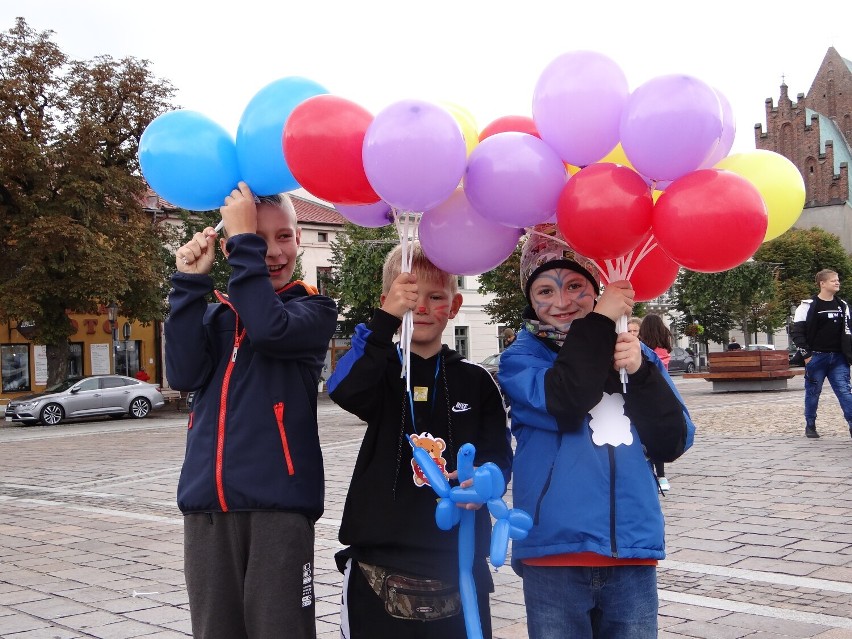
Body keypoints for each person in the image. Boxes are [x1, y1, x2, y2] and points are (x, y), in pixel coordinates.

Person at [497, 224, 694, 639]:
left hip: (631, 551)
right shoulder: (521, 359)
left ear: (595, 287)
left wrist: (641, 373)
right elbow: (566, 399)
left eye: (575, 285)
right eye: (545, 291)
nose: (563, 301)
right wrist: (601, 319)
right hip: (555, 552)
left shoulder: (630, 349)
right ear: (530, 301)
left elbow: (673, 439)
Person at [164, 182, 338, 639]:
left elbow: (268, 330)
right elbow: (182, 374)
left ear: (299, 238)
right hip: (206, 509)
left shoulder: (313, 310)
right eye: (256, 240)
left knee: (281, 631)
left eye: (284, 236)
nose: (273, 252)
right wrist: (188, 285)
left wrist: (244, 244)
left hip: (278, 508)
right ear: (228, 248)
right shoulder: (214, 317)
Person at [327, 241, 513, 639]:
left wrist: (485, 479)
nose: (423, 307)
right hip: (379, 558)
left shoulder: (476, 380)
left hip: (458, 557)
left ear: (456, 304)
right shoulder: (378, 368)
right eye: (410, 296)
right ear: (389, 300)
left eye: (436, 297)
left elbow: (499, 453)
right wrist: (383, 323)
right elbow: (343, 390)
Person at [790, 268, 852, 439]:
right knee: (813, 393)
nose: (837, 282)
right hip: (816, 357)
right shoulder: (808, 306)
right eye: (833, 280)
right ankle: (810, 425)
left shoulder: (843, 306)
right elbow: (797, 333)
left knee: (845, 392)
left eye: (838, 279)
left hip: (839, 358)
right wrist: (807, 355)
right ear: (822, 284)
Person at [638, 313, 674, 492]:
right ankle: (661, 476)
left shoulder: (643, 351)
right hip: (662, 396)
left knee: (643, 436)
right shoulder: (664, 352)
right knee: (656, 435)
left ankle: (648, 472)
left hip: (643, 396)